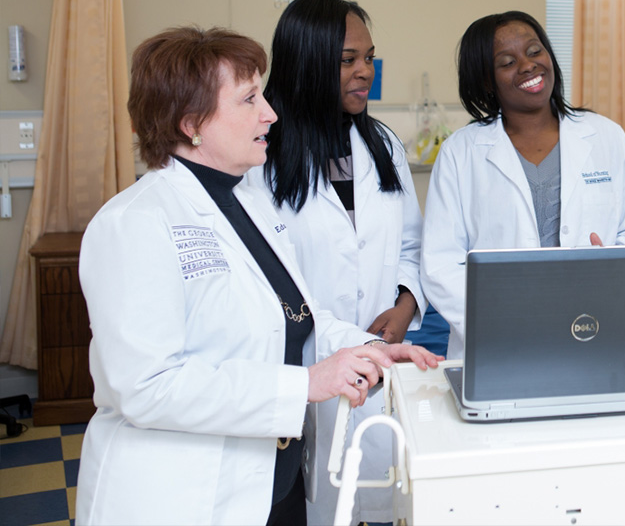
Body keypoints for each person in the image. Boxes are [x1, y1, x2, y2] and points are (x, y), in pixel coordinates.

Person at [76, 27, 440, 526]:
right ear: (191, 123)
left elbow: (297, 319)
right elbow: (147, 387)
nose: (270, 113)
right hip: (185, 497)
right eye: (249, 99)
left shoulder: (247, 202)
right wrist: (304, 384)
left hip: (274, 483)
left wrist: (370, 349)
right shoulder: (135, 223)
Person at [257, 0, 427, 526]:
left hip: (377, 356)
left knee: (377, 496)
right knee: (306, 502)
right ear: (307, 63)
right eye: (348, 60)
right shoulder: (263, 155)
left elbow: (412, 245)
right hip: (302, 366)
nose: (365, 72)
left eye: (369, 58)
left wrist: (404, 306)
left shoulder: (382, 145)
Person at [421, 10, 625, 359]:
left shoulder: (605, 136)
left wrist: (608, 275)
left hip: (595, 328)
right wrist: (508, 319)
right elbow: (441, 264)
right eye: (507, 62)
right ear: (486, 80)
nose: (528, 65)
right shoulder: (461, 152)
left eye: (535, 51)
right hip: (499, 341)